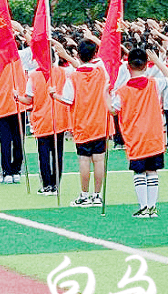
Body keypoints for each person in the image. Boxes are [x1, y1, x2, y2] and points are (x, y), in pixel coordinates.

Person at [110, 47, 168, 217]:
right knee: (152, 171)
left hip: (135, 137)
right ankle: (152, 207)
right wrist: (158, 62)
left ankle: (144, 206)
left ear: (128, 67)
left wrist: (105, 93)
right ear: (146, 65)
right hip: (154, 136)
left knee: (139, 172)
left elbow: (113, 110)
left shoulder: (122, 91)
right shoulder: (154, 84)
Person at [55, 39, 110, 207]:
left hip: (82, 124)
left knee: (84, 161)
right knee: (99, 161)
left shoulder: (73, 75)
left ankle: (84, 195)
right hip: (100, 123)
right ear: (94, 54)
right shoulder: (101, 72)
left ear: (78, 55)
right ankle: (97, 195)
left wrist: (53, 95)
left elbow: (67, 99)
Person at [21, 52, 70, 193]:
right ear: (54, 59)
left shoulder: (34, 76)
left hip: (42, 120)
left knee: (43, 155)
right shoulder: (62, 73)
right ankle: (56, 184)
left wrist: (17, 97)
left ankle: (47, 184)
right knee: (57, 154)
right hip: (59, 119)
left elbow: (28, 100)